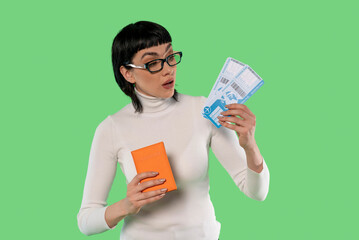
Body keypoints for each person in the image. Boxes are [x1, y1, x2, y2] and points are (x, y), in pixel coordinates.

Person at [77, 21, 270, 240]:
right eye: (153, 63)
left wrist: (250, 146)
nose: (168, 69)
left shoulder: (203, 110)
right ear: (128, 73)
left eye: (170, 57)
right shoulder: (111, 128)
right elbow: (86, 221)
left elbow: (257, 192)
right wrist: (127, 205)